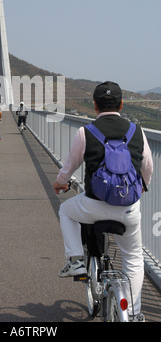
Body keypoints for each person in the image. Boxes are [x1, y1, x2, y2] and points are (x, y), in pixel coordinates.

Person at [52, 81, 153, 322]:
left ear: (95, 105)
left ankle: (75, 260)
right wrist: (141, 188)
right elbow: (147, 168)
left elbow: (69, 167)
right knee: (133, 258)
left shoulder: (85, 132)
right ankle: (135, 312)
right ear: (121, 104)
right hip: (128, 209)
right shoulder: (137, 131)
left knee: (66, 211)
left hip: (93, 207)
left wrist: (60, 183)